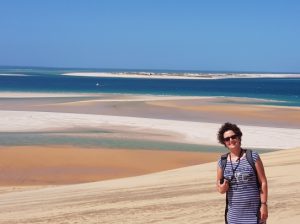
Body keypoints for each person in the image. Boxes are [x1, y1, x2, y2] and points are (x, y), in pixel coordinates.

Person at [216, 122, 268, 224]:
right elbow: (219, 186)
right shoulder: (222, 161)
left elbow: (263, 182)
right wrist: (222, 189)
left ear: (239, 137)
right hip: (233, 217)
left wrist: (264, 205)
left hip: (254, 215)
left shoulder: (253, 156)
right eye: (227, 139)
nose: (231, 140)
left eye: (233, 136)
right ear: (224, 143)